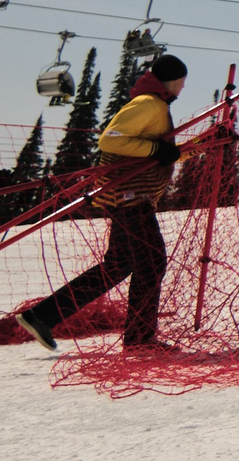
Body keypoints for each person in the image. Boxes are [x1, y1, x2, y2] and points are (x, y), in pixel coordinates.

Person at [14, 55, 189, 350]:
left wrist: (194, 148)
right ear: (171, 80)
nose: (183, 87)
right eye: (182, 81)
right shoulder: (148, 103)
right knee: (151, 262)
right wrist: (157, 149)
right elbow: (110, 140)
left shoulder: (154, 104)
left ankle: (42, 316)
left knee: (118, 265)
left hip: (128, 195)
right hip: (130, 196)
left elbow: (157, 153)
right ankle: (140, 339)